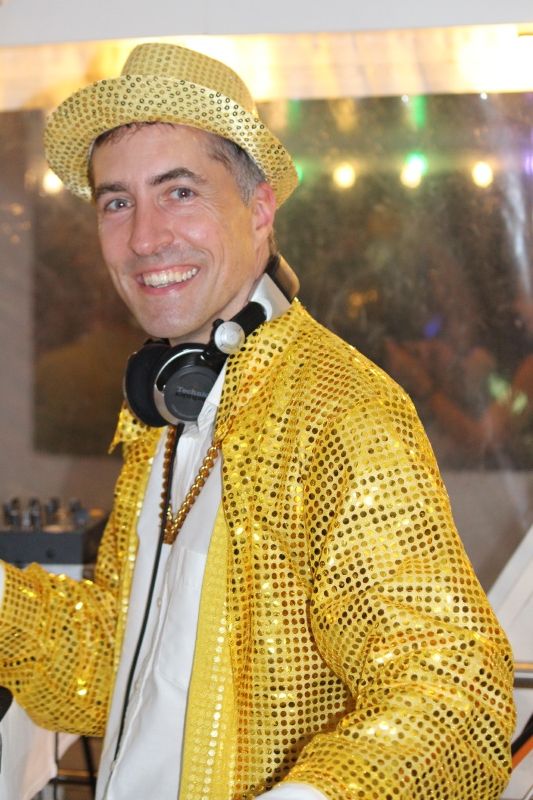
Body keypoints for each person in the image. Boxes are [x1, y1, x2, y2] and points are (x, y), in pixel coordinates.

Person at [0, 42, 516, 800]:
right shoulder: (166, 411)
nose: (143, 238)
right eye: (117, 202)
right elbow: (118, 665)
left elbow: (453, 700)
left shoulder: (341, 412)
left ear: (261, 209)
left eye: (180, 192)